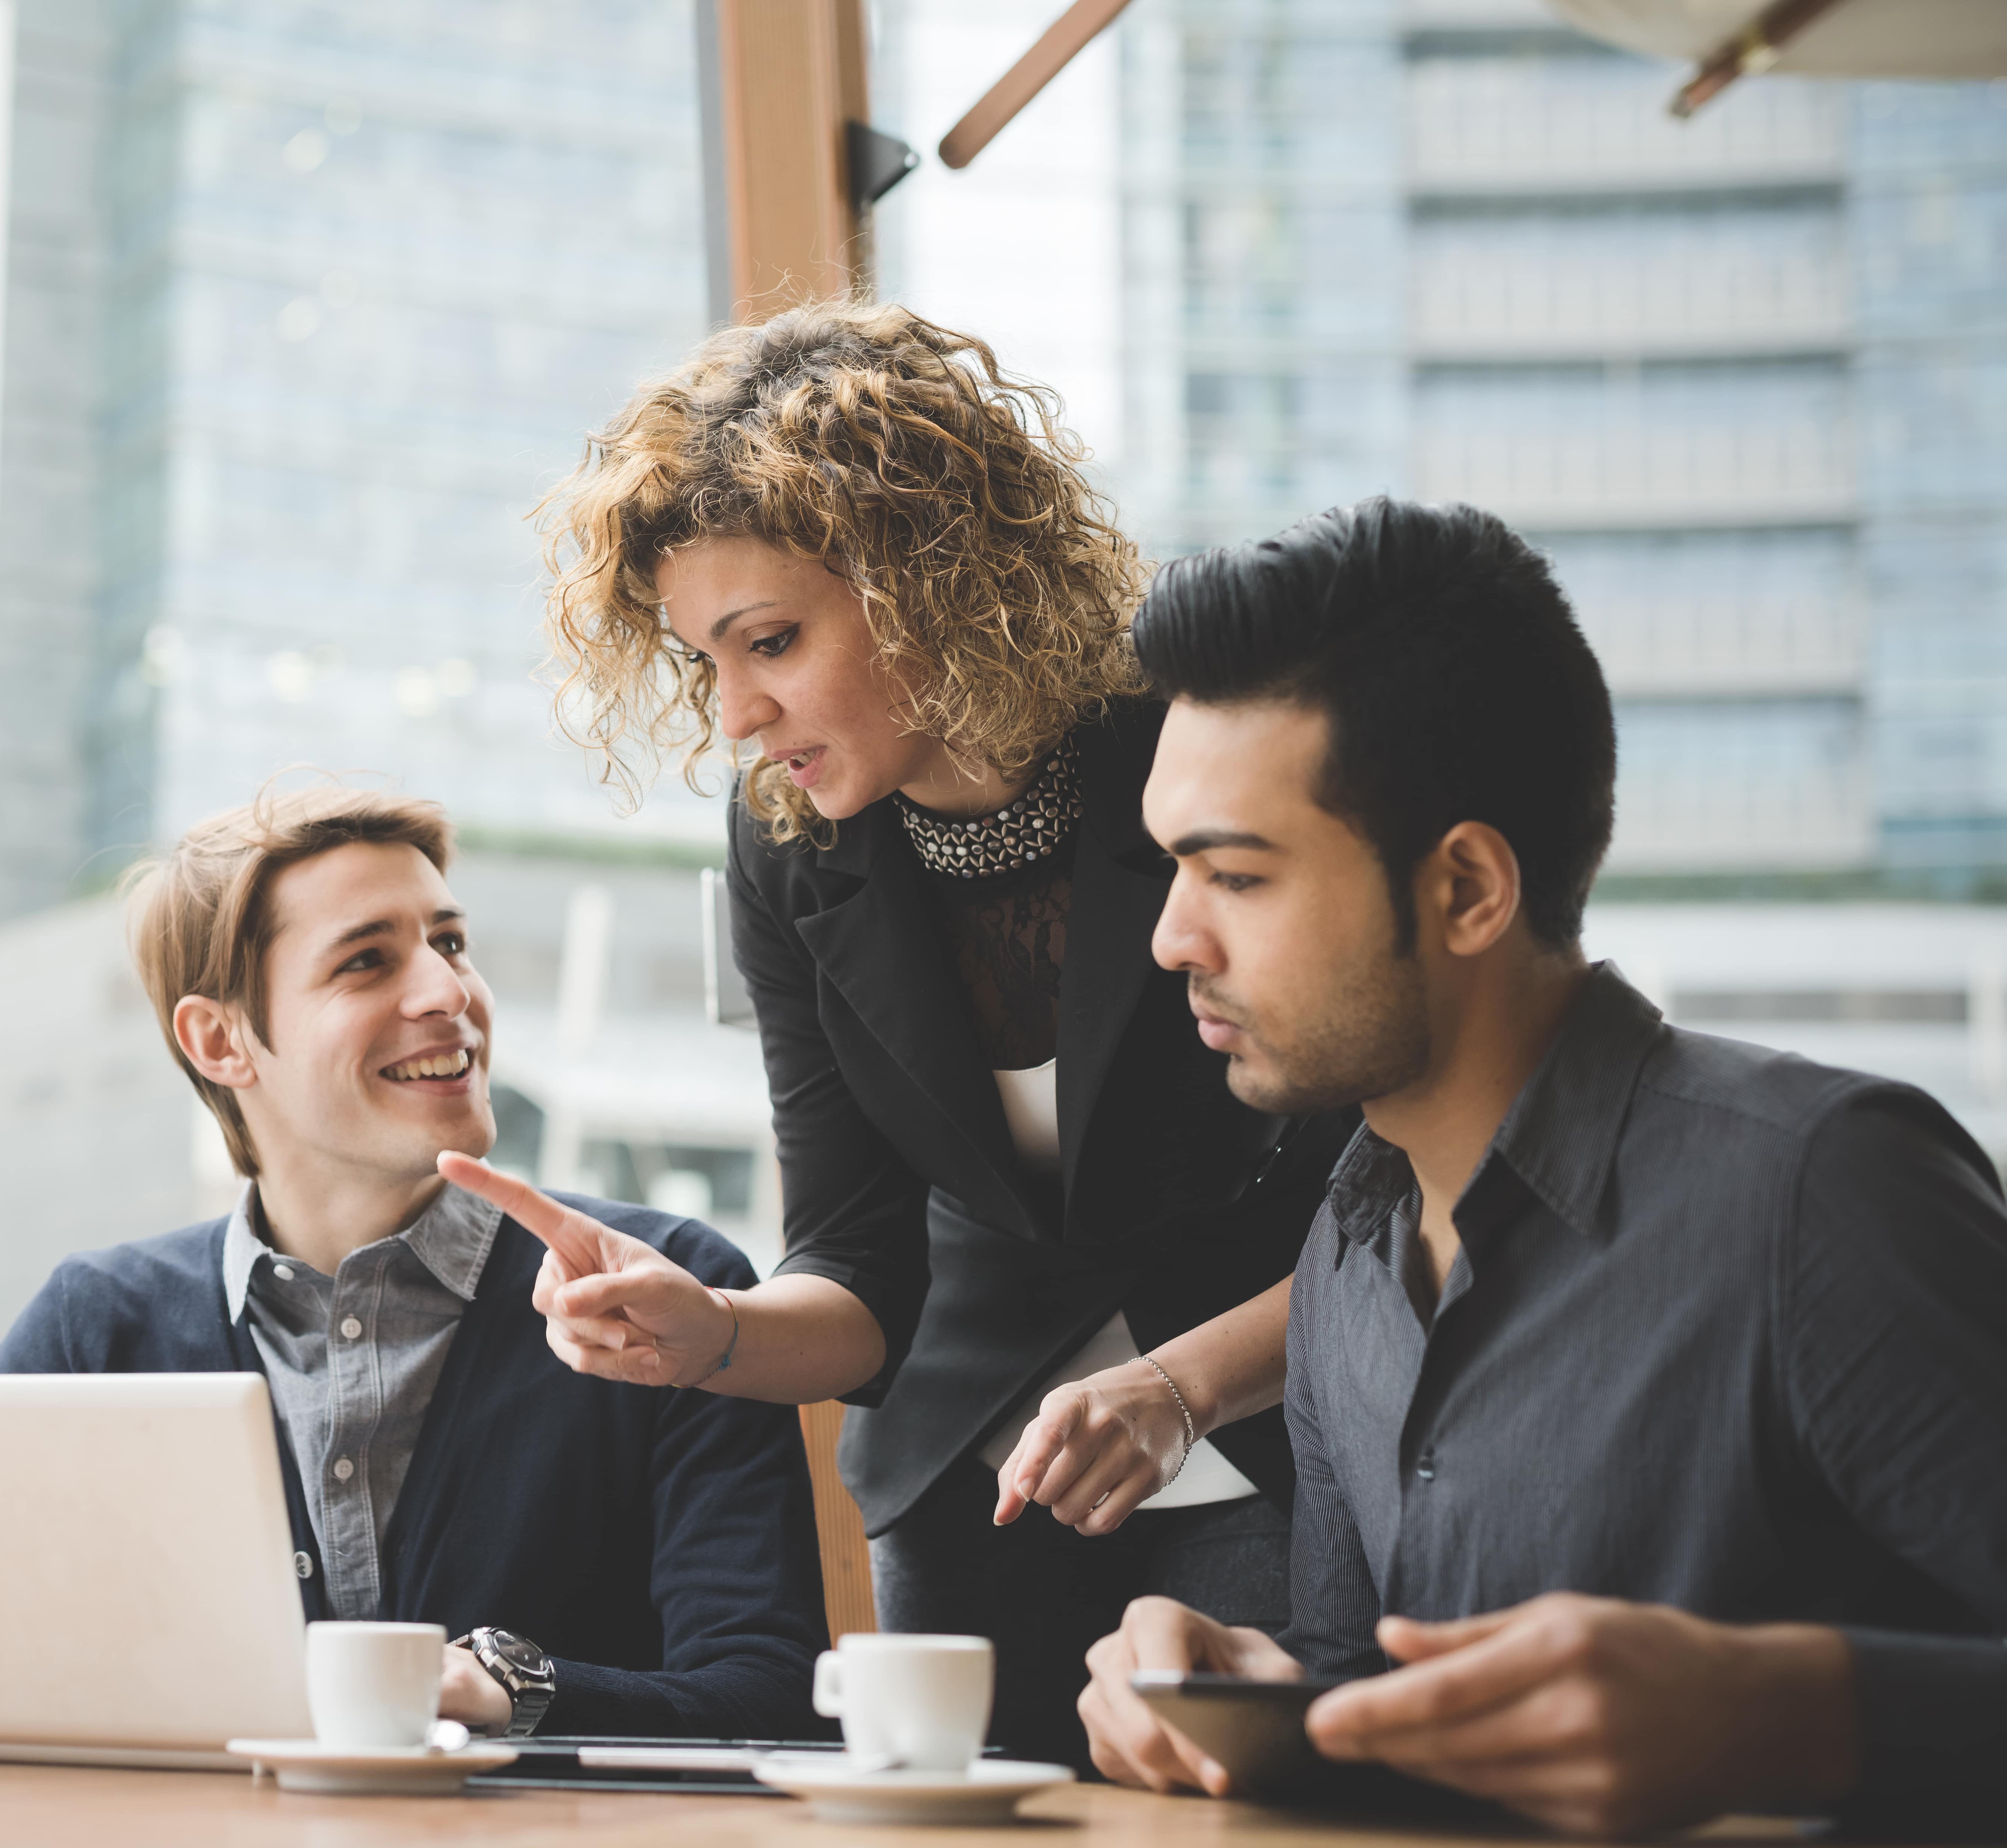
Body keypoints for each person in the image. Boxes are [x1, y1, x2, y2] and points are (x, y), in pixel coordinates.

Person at [439, 301, 1356, 1766]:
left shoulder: (1188, 731)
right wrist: (715, 1335)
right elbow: (862, 1259)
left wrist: (1183, 1382)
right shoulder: (791, 847)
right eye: (704, 664)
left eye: (774, 642)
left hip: (1276, 1431)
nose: (736, 713)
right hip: (972, 1479)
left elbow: (1404, 1197)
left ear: (927, 575)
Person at [1074, 497, 2007, 1835]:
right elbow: (1373, 1689)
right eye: (1175, 870)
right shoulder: (1348, 1250)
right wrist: (1253, 1693)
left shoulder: (1822, 1193)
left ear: (1466, 890)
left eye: (1237, 877)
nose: (1172, 940)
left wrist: (1788, 1714)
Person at [0, 784, 829, 1741]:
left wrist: (512, 1687)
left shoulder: (666, 1288)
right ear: (219, 1039)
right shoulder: (93, 1326)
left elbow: (772, 1697)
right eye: (366, 960)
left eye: (451, 943)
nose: (447, 992)